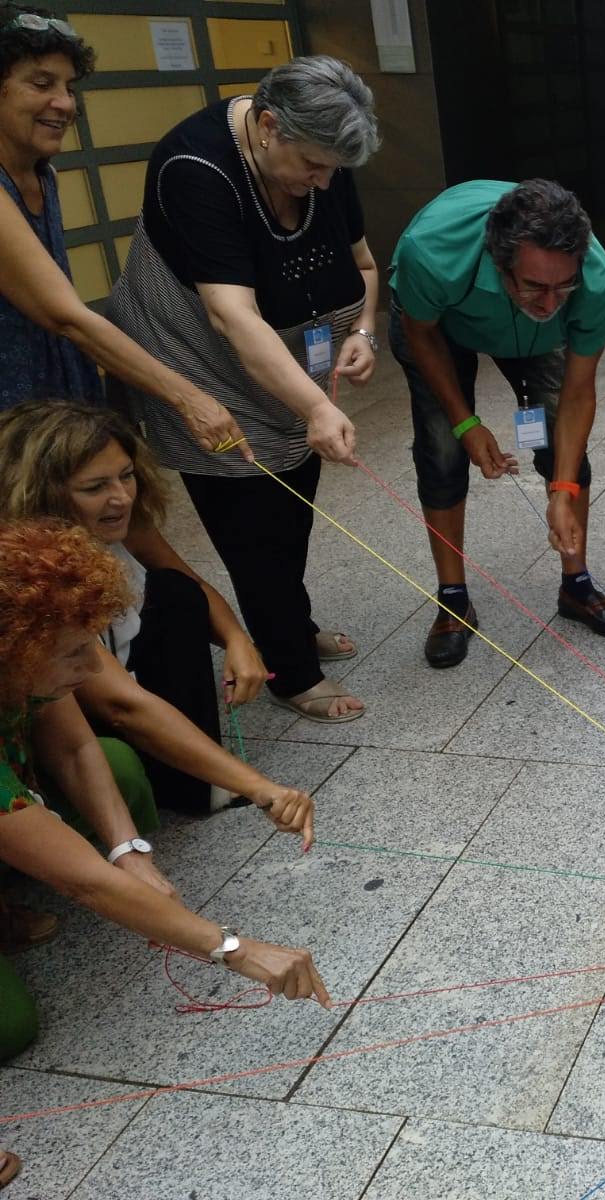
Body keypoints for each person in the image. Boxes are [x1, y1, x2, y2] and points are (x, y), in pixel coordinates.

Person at [0, 520, 327, 1173]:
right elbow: (81, 884)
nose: (94, 669)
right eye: (73, 655)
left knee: (119, 771)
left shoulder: (24, 664)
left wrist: (128, 852)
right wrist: (235, 949)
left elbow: (75, 743)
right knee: (11, 1028)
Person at [105, 56, 382, 723]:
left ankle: (289, 620)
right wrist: (315, 404)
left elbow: (365, 263)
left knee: (292, 505)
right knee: (251, 518)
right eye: (313, 167)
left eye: (333, 172)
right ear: (266, 126)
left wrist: (365, 331)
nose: (322, 183)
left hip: (277, 356)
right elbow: (231, 315)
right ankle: (291, 668)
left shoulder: (323, 156)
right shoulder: (194, 169)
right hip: (197, 357)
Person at [0, 401, 320, 823]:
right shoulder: (33, 576)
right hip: (60, 730)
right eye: (95, 487)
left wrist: (238, 640)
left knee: (175, 593)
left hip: (117, 682)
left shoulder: (119, 520)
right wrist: (260, 788)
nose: (120, 497)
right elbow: (119, 705)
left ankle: (193, 781)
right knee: (117, 765)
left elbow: (190, 585)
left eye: (127, 476)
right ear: (44, 493)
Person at [389, 178, 605, 666]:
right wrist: (465, 424)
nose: (549, 303)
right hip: (441, 329)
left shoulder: (597, 279)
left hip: (537, 343)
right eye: (535, 286)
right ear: (500, 264)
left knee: (567, 452)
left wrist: (562, 490)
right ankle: (453, 599)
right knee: (440, 451)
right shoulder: (432, 252)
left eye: (564, 286)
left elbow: (578, 392)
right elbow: (421, 334)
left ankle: (576, 586)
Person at [0, 5, 246, 451]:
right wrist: (188, 397)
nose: (65, 103)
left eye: (69, 87)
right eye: (41, 83)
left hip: (59, 400)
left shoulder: (43, 174)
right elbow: (65, 316)